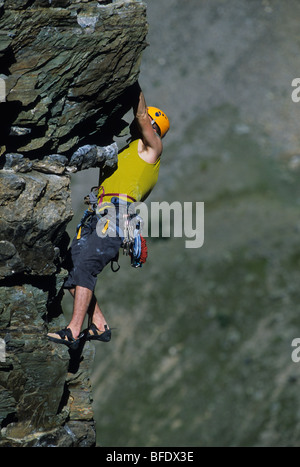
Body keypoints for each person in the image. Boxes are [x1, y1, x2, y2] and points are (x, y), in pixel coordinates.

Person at [47, 83, 170, 349]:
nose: (143, 121)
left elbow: (139, 116)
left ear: (154, 127)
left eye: (150, 120)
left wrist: (134, 86)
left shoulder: (152, 149)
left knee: (86, 269)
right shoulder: (124, 151)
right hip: (97, 214)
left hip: (116, 216)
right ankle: (99, 324)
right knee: (73, 274)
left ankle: (74, 331)